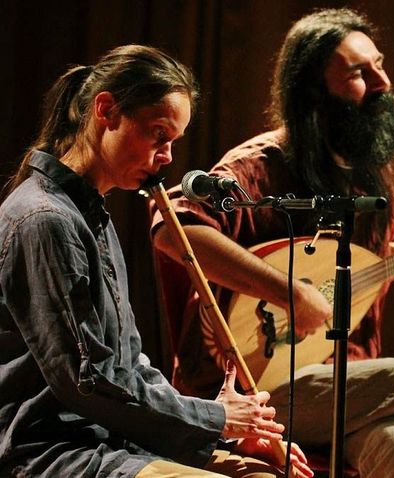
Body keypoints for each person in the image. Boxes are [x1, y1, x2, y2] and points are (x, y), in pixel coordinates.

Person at [151, 8, 394, 478]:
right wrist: (288, 294)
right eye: (359, 72)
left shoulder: (367, 173)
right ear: (313, 91)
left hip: (346, 381)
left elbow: (348, 276)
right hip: (255, 388)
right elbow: (175, 228)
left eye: (379, 64)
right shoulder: (261, 167)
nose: (383, 82)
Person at [0, 44, 313, 478]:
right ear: (106, 110)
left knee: (266, 474)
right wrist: (217, 417)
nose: (167, 157)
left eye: (173, 141)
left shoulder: (92, 217)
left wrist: (223, 432)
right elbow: (89, 382)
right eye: (158, 135)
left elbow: (130, 363)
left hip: (115, 439)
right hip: (56, 450)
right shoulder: (44, 220)